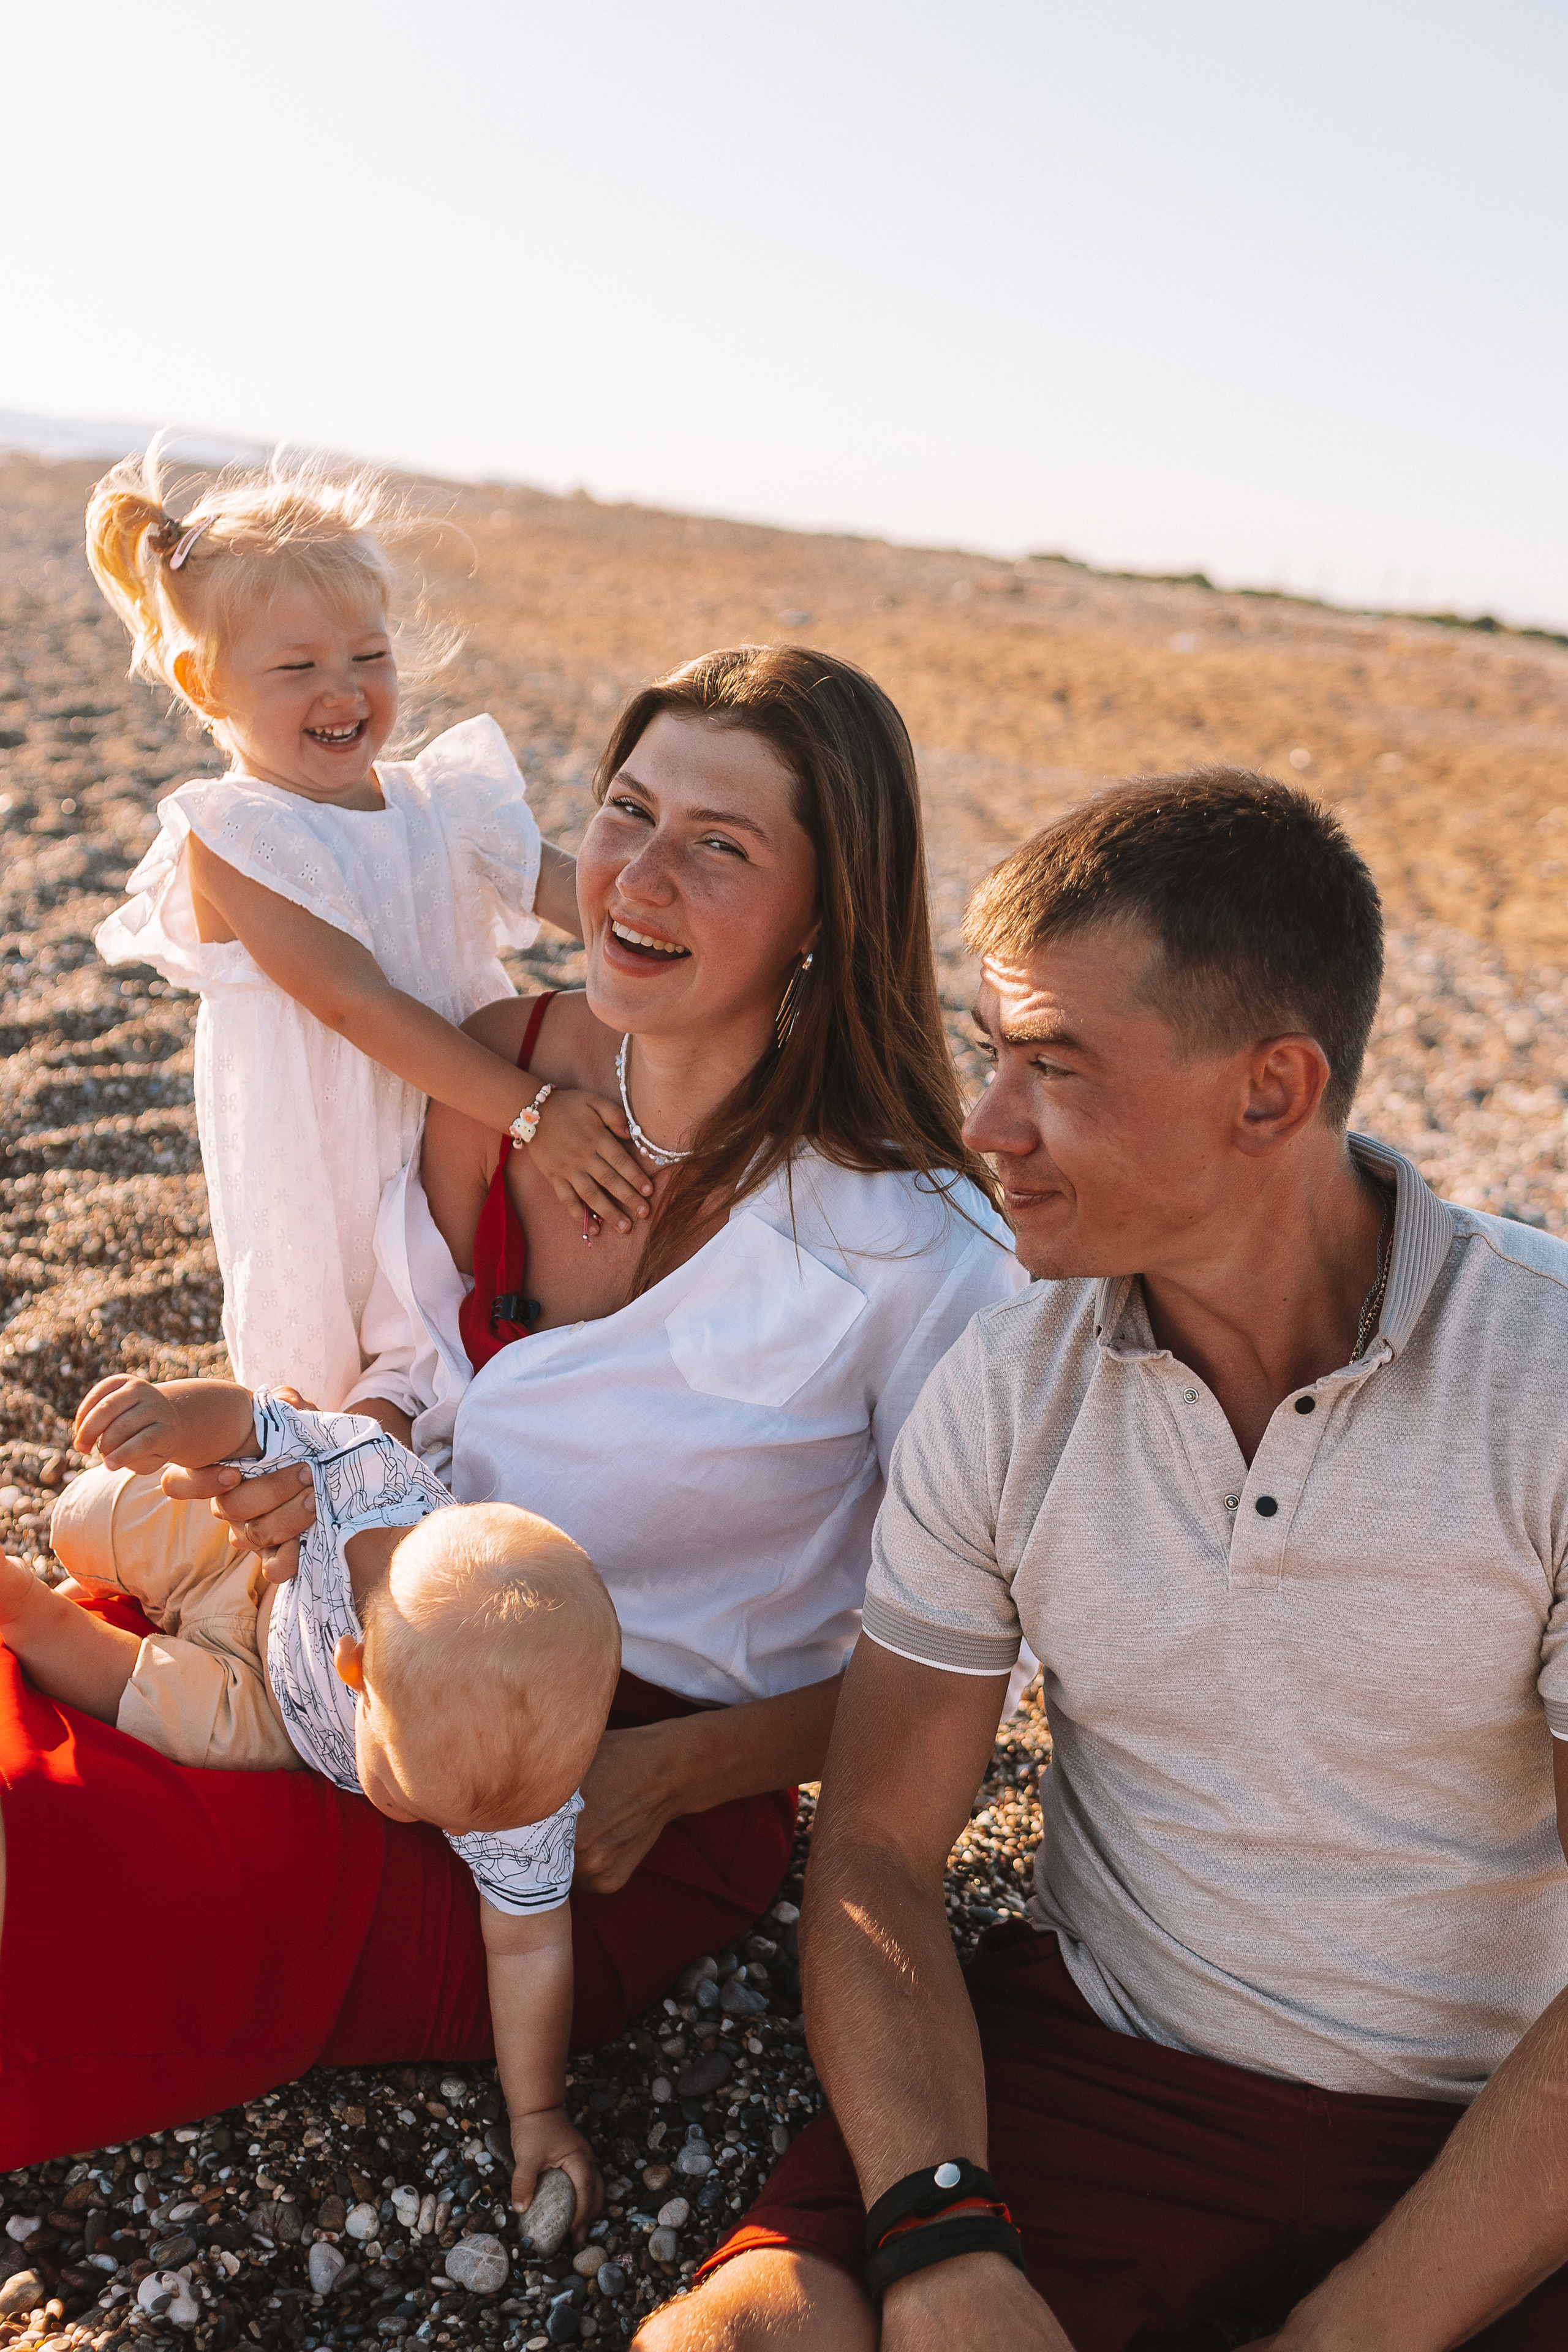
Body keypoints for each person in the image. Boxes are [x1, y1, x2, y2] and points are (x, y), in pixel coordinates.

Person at [4, 643, 1023, 2173]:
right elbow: (409, 1403)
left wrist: (664, 1776)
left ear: (831, 910)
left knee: (71, 1875)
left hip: (591, 1797)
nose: (639, 874)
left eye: (720, 844)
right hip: (347, 1638)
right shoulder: (500, 1068)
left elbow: (969, 1670)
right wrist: (314, 1485)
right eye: (626, 809)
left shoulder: (918, 1244)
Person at [657, 770, 1568, 2352]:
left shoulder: (1544, 1378)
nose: (985, 1122)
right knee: (740, 2340)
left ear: (1272, 1094)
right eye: (994, 1051)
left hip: (1490, 2126)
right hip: (1104, 2063)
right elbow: (873, 1850)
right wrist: (941, 2234)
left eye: (1055, 1067)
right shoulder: (1012, 1385)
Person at [86, 440, 651, 1409]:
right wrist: (528, 1110)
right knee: (335, 1371)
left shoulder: (444, 802)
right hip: (337, 1146)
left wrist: (662, 910)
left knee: (470, 1337)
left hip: (462, 1125)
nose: (343, 690)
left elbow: (566, 889)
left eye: (369, 655)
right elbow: (353, 1002)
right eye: (298, 665)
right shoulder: (234, 832)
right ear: (204, 683)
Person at [4, 1372, 619, 2233]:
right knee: (82, 1522)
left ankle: (32, 1619)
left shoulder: (523, 1794)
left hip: (272, 1700)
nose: (422, 1826)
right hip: (243, 1557)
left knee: (198, 1727)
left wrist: (538, 2112)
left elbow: (528, 1951)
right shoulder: (364, 1475)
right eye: (405, 1794)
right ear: (357, 1671)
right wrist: (177, 1419)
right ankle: (94, 1562)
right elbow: (250, 1425)